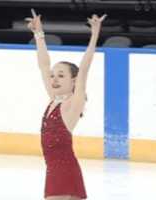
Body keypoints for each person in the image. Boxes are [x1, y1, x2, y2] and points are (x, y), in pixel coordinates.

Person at [26, 9, 106, 200]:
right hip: (55, 171)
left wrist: (95, 34)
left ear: (74, 81)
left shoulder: (72, 104)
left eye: (61, 75)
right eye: (53, 76)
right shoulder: (53, 98)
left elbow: (85, 67)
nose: (54, 79)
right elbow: (44, 65)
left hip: (63, 172)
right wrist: (39, 34)